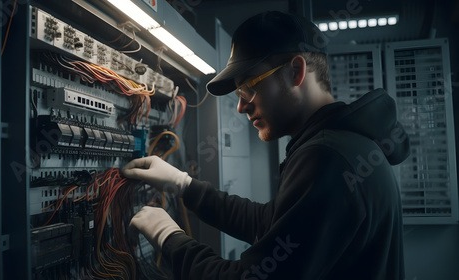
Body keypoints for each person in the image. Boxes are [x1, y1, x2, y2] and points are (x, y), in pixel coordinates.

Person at [122, 11, 409, 279]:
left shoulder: (330, 159)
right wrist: (184, 185)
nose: (241, 107)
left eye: (248, 87)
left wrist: (169, 238)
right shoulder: (341, 146)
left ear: (296, 72)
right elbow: (270, 223)